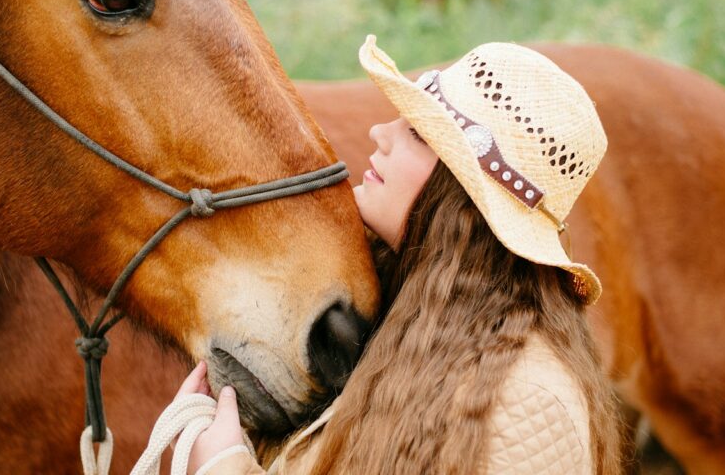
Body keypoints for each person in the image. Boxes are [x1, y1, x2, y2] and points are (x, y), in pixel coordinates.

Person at [158, 35, 622, 474]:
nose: (380, 132)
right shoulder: (404, 319)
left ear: (463, 198)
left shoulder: (529, 401)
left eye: (418, 134)